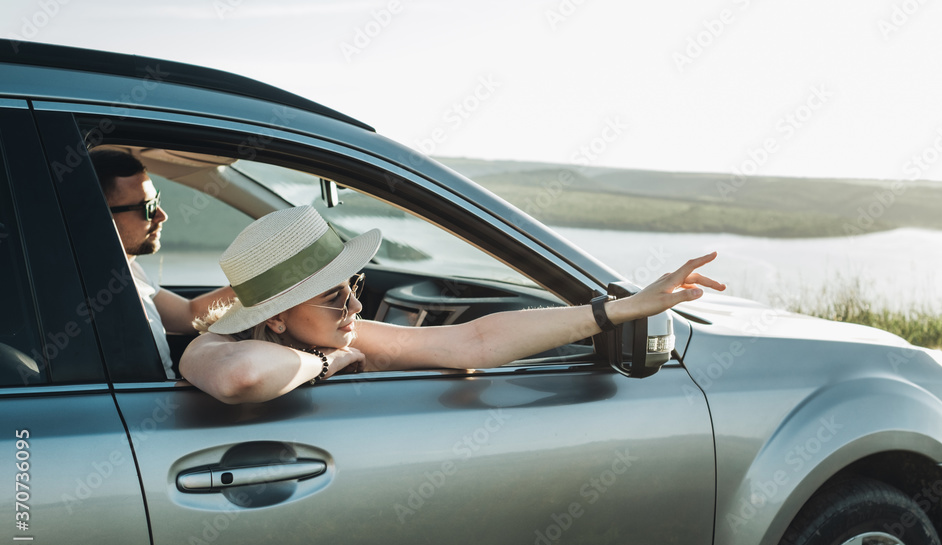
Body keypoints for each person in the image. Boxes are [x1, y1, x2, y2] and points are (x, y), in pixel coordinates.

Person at [180, 205, 725, 404]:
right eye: (332, 296)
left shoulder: (340, 336)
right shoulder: (211, 345)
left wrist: (616, 311)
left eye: (353, 286)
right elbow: (243, 377)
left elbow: (475, 341)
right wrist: (325, 364)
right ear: (275, 315)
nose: (351, 305)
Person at [91, 150, 235, 378]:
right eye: (147, 208)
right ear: (100, 216)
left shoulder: (128, 269)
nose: (161, 215)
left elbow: (190, 314)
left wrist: (262, 284)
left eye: (156, 201)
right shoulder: (95, 291)